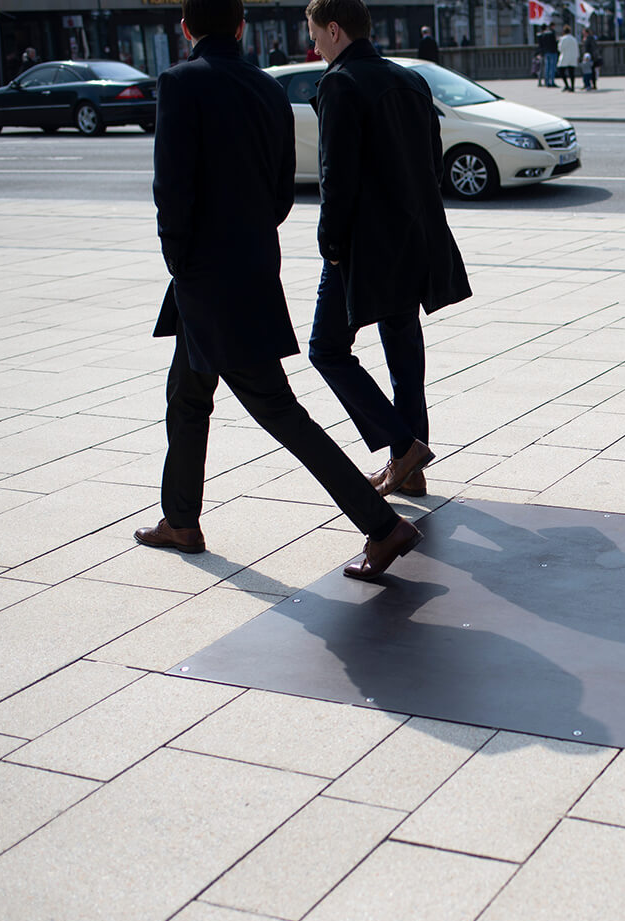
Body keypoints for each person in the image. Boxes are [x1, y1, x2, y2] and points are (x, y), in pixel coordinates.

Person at [143, 0, 421, 580]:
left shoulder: (179, 83)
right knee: (187, 397)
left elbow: (172, 190)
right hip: (248, 269)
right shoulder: (268, 90)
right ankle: (181, 519)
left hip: (203, 280)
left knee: (277, 410)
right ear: (242, 27)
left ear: (187, 28)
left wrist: (182, 264)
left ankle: (382, 525)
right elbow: (281, 194)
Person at [305, 0, 471, 505]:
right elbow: (433, 164)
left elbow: (338, 176)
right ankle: (412, 469)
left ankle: (404, 447)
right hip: (414, 237)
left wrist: (330, 244)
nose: (313, 45)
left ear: (335, 30)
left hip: (362, 247)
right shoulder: (410, 80)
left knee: (327, 349)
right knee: (403, 351)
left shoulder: (339, 83)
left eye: (315, 34)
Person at [557, 23, 579, 91]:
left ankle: (566, 85)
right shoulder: (573, 39)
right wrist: (577, 56)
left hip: (565, 56)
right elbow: (577, 48)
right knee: (571, 72)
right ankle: (572, 86)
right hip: (572, 57)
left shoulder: (563, 39)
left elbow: (560, 48)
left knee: (561, 71)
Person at [537, 22, 558, 87]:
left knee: (546, 68)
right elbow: (555, 43)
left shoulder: (543, 34)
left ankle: (546, 82)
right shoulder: (552, 33)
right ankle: (551, 81)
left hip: (546, 52)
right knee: (552, 67)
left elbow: (541, 44)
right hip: (552, 52)